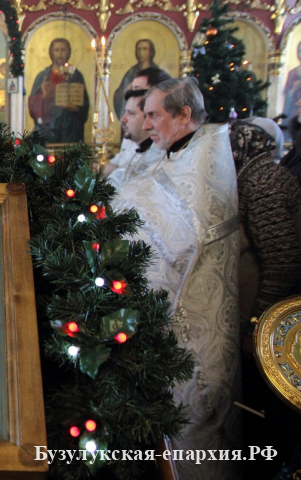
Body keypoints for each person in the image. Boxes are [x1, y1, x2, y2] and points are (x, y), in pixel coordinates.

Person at [112, 77, 241, 480]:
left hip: (196, 327)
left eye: (154, 115)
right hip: (168, 325)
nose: (147, 124)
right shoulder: (177, 152)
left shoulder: (207, 160)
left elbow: (180, 236)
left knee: (196, 427)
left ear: (184, 115)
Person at [229, 121, 301, 334]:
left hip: (267, 325)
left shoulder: (263, 184)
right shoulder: (255, 175)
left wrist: (258, 325)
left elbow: (283, 265)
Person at [104, 67, 171, 177]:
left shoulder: (161, 144)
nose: (123, 119)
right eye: (133, 88)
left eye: (138, 89)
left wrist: (116, 171)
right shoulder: (133, 135)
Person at [28, 38, 89, 144]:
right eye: (56, 50)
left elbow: (85, 103)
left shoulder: (76, 75)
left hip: (71, 129)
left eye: (63, 50)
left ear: (68, 52)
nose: (60, 53)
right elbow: (32, 103)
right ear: (51, 53)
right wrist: (43, 96)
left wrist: (76, 108)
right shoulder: (43, 76)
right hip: (49, 129)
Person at [106, 88, 164, 188]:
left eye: (131, 113)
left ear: (148, 117)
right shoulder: (141, 152)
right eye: (125, 112)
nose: (123, 119)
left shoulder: (159, 156)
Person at [112, 39, 160, 120]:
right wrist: (125, 91)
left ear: (151, 52)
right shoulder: (130, 73)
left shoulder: (157, 73)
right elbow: (119, 95)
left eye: (144, 49)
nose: (141, 53)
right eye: (138, 49)